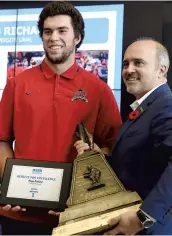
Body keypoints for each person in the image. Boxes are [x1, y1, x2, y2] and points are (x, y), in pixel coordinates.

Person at [0, 1, 122, 235]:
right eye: (47, 31)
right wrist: (12, 186)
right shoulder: (17, 85)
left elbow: (111, 146)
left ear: (77, 37)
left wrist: (80, 188)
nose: (53, 37)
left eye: (61, 30)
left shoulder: (98, 90)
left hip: (76, 214)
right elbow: (2, 140)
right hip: (20, 214)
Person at [75, 37, 172, 235]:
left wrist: (144, 216)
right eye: (126, 64)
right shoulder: (146, 107)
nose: (129, 70)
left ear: (162, 70)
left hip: (150, 227)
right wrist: (100, 158)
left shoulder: (166, 105)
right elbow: (139, 162)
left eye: (139, 63)